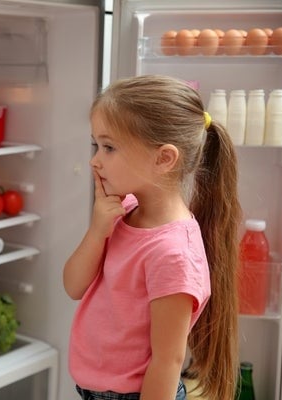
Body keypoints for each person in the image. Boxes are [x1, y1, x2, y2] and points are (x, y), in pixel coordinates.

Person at [63, 75, 241, 400]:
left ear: (163, 159)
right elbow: (73, 286)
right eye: (96, 145)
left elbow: (167, 361)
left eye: (109, 147)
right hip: (95, 389)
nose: (95, 160)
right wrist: (97, 229)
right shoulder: (124, 210)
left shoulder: (172, 253)